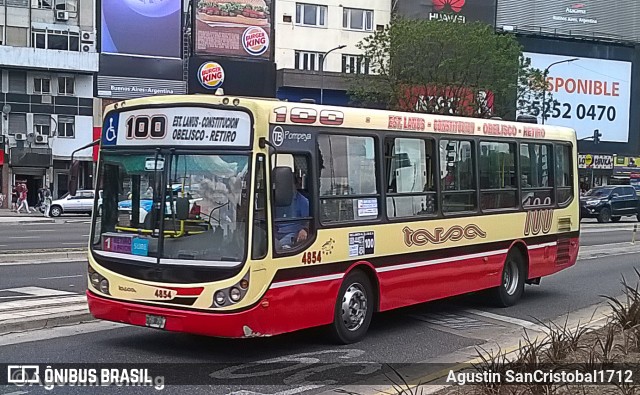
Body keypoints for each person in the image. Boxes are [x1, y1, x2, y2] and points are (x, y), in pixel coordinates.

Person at [274, 175, 309, 250]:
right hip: (275, 232)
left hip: (292, 233)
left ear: (295, 185)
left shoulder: (303, 201)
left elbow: (307, 222)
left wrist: (304, 230)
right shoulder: (276, 200)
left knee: (278, 247)